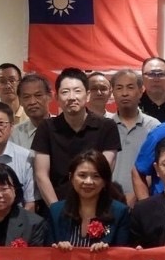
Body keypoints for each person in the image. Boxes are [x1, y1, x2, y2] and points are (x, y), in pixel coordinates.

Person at [32, 68, 122, 209]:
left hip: (97, 206)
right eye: (65, 92)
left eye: (77, 91)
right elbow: (41, 174)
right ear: (57, 98)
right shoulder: (46, 128)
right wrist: (57, 210)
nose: (71, 97)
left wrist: (88, 210)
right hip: (56, 205)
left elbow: (103, 171)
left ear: (87, 95)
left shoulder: (107, 126)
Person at [49, 150, 132, 249]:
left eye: (96, 176)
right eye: (82, 175)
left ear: (105, 181)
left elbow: (123, 254)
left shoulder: (120, 212)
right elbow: (45, 252)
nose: (88, 182)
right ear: (71, 177)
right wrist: (57, 250)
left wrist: (107, 252)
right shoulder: (56, 211)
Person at [108, 70, 160, 206]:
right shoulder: (104, 126)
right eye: (119, 88)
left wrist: (135, 196)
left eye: (130, 87)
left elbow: (157, 167)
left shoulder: (154, 127)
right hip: (108, 202)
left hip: (144, 202)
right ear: (113, 92)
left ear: (141, 91)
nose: (124, 93)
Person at [11, 72, 52, 149]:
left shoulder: (64, 128)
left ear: (49, 96)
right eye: (26, 97)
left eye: (38, 95)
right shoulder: (14, 135)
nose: (32, 102)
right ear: (20, 101)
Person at [139, 56, 165, 122]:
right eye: (151, 74)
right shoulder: (134, 105)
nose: (156, 79)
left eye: (161, 74)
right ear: (142, 77)